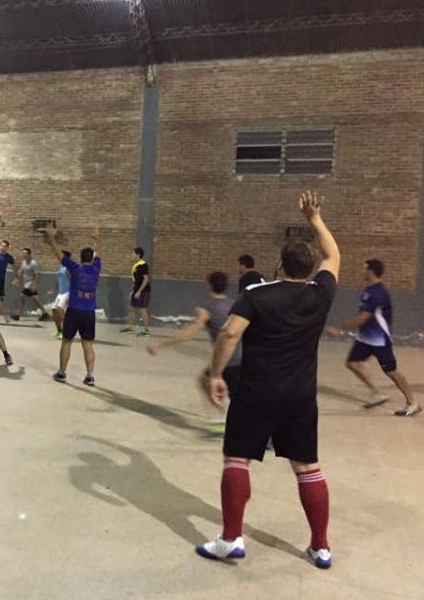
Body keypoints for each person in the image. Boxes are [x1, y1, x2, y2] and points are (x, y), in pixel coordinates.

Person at [196, 190, 339, 570]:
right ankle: (321, 547)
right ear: (309, 268)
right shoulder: (321, 295)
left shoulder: (257, 296)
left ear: (280, 265)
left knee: (236, 458)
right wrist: (315, 219)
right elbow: (334, 255)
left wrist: (214, 375)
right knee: (307, 467)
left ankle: (231, 540)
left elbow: (228, 335)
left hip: (257, 393)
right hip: (300, 397)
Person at [147, 271, 240, 435]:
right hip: (243, 358)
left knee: (209, 383)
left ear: (209, 285)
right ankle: (226, 418)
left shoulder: (206, 308)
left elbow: (187, 335)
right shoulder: (235, 304)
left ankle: (223, 418)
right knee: (209, 381)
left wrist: (160, 345)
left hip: (226, 361)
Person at [326, 259, 419, 416]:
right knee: (352, 363)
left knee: (391, 371)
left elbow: (363, 317)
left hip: (379, 340)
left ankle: (412, 402)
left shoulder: (378, 293)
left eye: (364, 269)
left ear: (371, 272)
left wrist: (339, 328)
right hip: (365, 338)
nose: (362, 272)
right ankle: (377, 393)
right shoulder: (369, 290)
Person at [45, 225, 101, 386]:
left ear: (80, 257)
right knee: (88, 344)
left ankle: (62, 373)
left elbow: (58, 254)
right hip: (89, 312)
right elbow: (98, 253)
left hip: (75, 311)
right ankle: (90, 376)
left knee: (67, 341)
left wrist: (52, 238)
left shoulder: (75, 268)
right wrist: (97, 238)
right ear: (91, 258)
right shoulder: (96, 268)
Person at [12, 247, 50, 322]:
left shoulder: (33, 263)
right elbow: (21, 271)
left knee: (23, 296)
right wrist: (16, 279)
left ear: (29, 254)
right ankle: (45, 313)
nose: (24, 255)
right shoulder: (23, 262)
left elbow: (37, 274)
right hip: (26, 283)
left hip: (30, 284)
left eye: (26, 253)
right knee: (35, 298)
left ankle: (17, 315)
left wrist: (35, 285)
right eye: (23, 253)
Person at [123, 248, 151, 336]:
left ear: (138, 254)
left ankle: (146, 331)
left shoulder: (143, 265)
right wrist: (133, 291)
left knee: (142, 309)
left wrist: (139, 291)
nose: (132, 255)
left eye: (133, 253)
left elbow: (145, 280)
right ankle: (131, 328)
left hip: (143, 291)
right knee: (132, 308)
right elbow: (136, 280)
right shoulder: (136, 265)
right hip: (136, 290)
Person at [49, 251, 72, 340]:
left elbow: (73, 281)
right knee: (54, 310)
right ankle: (59, 330)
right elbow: (58, 279)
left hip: (67, 293)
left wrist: (73, 294)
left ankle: (67, 332)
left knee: (60, 310)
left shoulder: (68, 268)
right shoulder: (61, 267)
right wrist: (53, 289)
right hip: (60, 293)